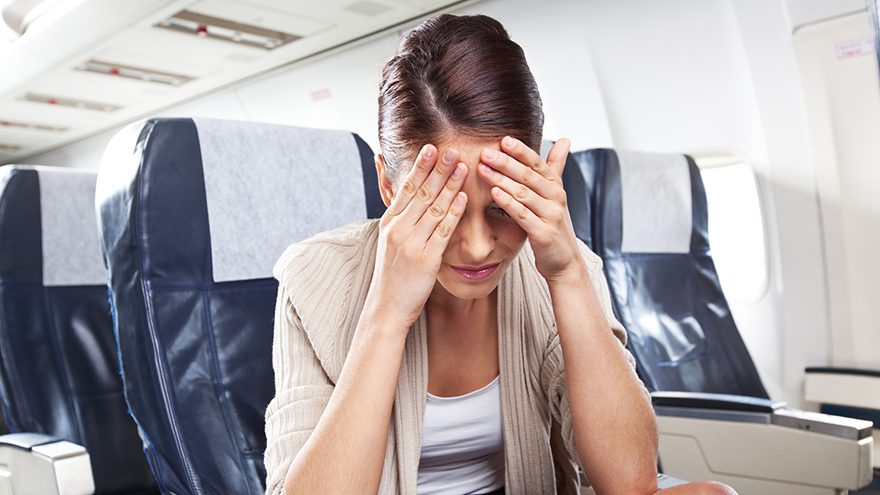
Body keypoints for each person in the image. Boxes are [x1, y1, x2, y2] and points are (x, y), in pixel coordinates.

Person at [264, 13, 737, 495]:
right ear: (388, 184)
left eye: (501, 208)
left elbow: (630, 483)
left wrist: (568, 275)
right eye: (443, 210)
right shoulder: (313, 277)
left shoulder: (560, 267)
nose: (476, 246)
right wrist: (386, 315)